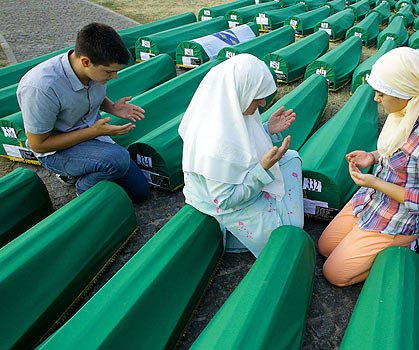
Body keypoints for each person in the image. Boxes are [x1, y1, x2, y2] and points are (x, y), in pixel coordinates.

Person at [318, 47, 419, 287]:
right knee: (324, 247)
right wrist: (372, 157)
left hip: (399, 218)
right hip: (372, 200)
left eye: (381, 93)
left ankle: (411, 244)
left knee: (335, 274)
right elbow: (400, 154)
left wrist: (375, 182)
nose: (376, 98)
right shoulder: (407, 109)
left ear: (405, 90)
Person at [179, 54, 303, 257]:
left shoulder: (224, 109)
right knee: (290, 231)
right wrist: (261, 170)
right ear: (241, 92)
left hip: (237, 186)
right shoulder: (214, 143)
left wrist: (267, 129)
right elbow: (226, 201)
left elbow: (242, 144)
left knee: (290, 158)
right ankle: (237, 238)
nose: (263, 103)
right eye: (258, 97)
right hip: (227, 206)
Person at [17, 22, 149, 202]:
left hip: (91, 136)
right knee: (118, 160)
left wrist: (112, 107)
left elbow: (89, 95)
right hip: (57, 150)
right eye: (109, 72)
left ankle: (81, 171)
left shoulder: (92, 71)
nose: (114, 77)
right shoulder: (41, 87)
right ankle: (82, 189)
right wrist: (93, 132)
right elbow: (39, 145)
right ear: (85, 61)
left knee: (140, 192)